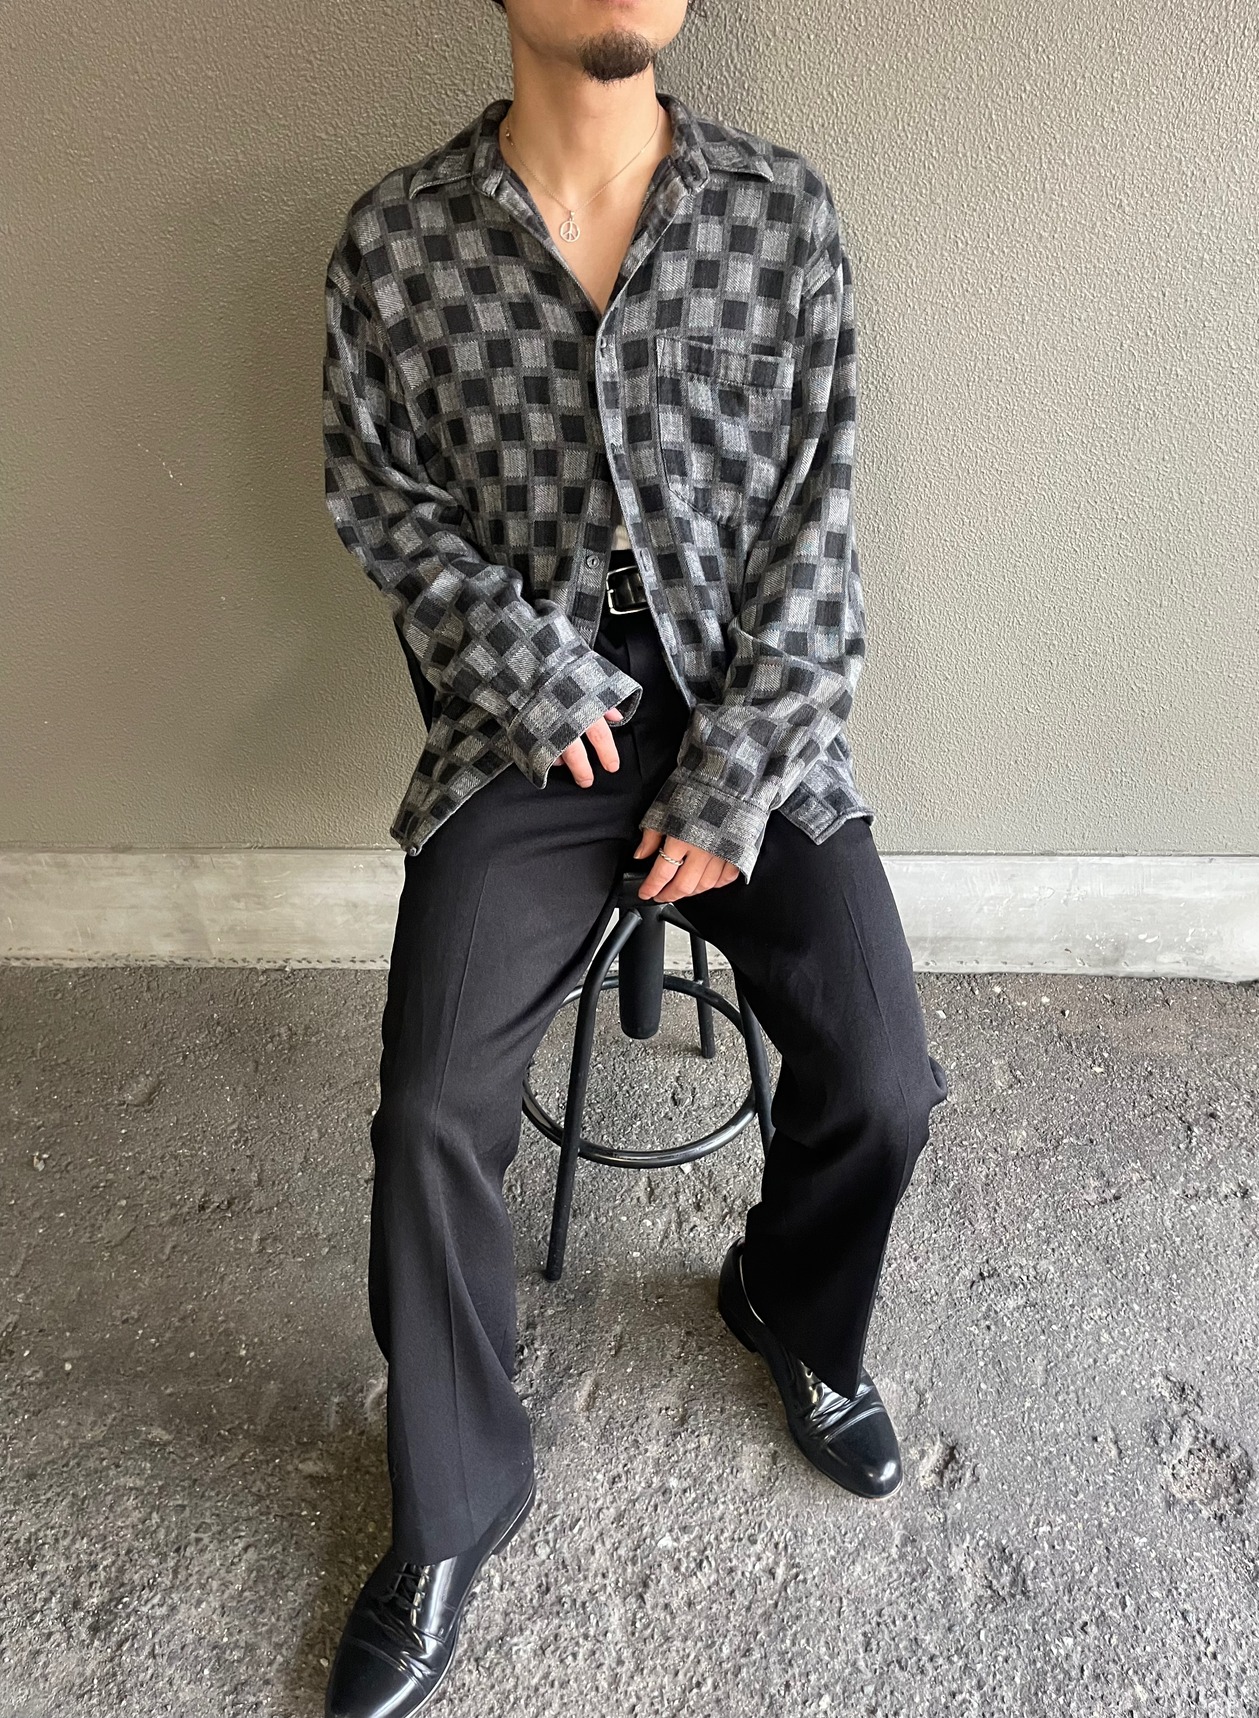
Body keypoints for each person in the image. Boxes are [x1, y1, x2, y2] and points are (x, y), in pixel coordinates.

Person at [320, 2, 950, 1711]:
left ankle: (791, 1308)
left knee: (884, 1079)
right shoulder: (397, 245)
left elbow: (818, 544)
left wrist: (734, 775)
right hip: (535, 733)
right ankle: (454, 1499)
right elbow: (382, 499)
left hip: (748, 718)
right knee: (429, 1108)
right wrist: (530, 675)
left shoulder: (778, 216)